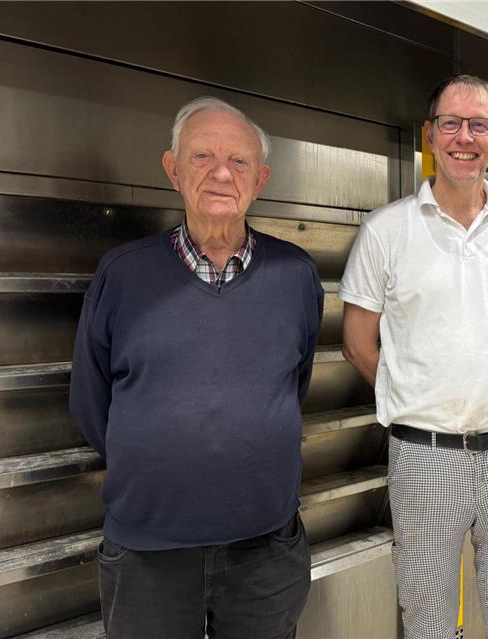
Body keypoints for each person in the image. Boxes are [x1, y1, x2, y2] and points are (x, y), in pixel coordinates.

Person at [69, 96, 323, 639]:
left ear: (261, 179)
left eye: (239, 162)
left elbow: (291, 386)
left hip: (266, 549)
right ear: (173, 169)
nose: (221, 173)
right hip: (146, 552)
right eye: (203, 156)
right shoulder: (122, 274)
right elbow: (91, 404)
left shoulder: (296, 275)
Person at [339, 74, 488, 639]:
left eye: (479, 125)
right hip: (423, 457)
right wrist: (420, 395)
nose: (465, 137)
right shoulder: (386, 231)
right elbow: (359, 343)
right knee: (428, 617)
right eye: (451, 124)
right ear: (431, 136)